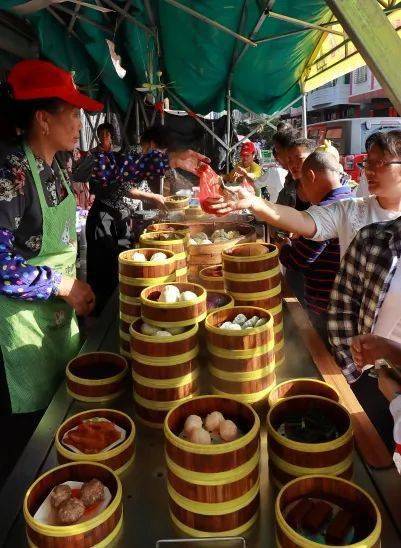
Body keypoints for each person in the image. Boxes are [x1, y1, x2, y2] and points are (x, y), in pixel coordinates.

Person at [0, 59, 101, 417]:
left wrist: (170, 158)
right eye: (72, 114)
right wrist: (62, 285)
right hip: (21, 329)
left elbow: (113, 166)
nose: (79, 124)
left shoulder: (56, 164)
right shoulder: (12, 173)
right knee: (28, 445)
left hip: (56, 322)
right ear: (43, 120)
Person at [208, 130, 401, 260]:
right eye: (368, 163)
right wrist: (253, 202)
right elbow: (302, 219)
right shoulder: (352, 209)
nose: (369, 170)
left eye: (381, 163)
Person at [86, 125, 208, 313]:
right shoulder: (131, 153)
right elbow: (121, 187)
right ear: (152, 144)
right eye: (162, 150)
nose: (163, 155)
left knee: (119, 268)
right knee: (104, 271)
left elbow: (141, 185)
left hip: (121, 217)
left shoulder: (144, 158)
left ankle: (115, 310)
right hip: (105, 218)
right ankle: (98, 316)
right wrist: (152, 197)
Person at [327, 216, 401, 450]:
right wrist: (354, 373)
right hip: (368, 379)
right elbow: (343, 305)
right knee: (368, 453)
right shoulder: (373, 239)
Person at [279, 151, 352, 341]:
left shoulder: (324, 210)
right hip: (348, 303)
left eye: (302, 183)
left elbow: (298, 260)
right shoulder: (352, 200)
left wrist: (284, 245)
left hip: (325, 304)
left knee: (325, 355)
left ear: (310, 176)